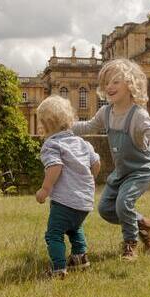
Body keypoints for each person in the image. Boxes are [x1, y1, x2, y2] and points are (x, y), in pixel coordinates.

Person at [73, 58, 150, 261]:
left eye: (115, 82)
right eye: (106, 83)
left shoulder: (138, 115)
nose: (109, 87)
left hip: (140, 171)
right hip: (121, 171)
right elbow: (87, 127)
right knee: (105, 209)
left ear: (131, 85)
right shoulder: (106, 112)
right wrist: (65, 126)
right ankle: (147, 224)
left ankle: (130, 245)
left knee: (123, 204)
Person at [35, 95, 101, 278]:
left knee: (54, 234)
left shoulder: (52, 144)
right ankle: (80, 259)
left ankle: (58, 268)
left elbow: (55, 167)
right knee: (74, 228)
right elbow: (96, 164)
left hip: (64, 201)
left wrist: (45, 189)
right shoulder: (83, 143)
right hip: (84, 202)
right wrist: (88, 180)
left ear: (46, 125)